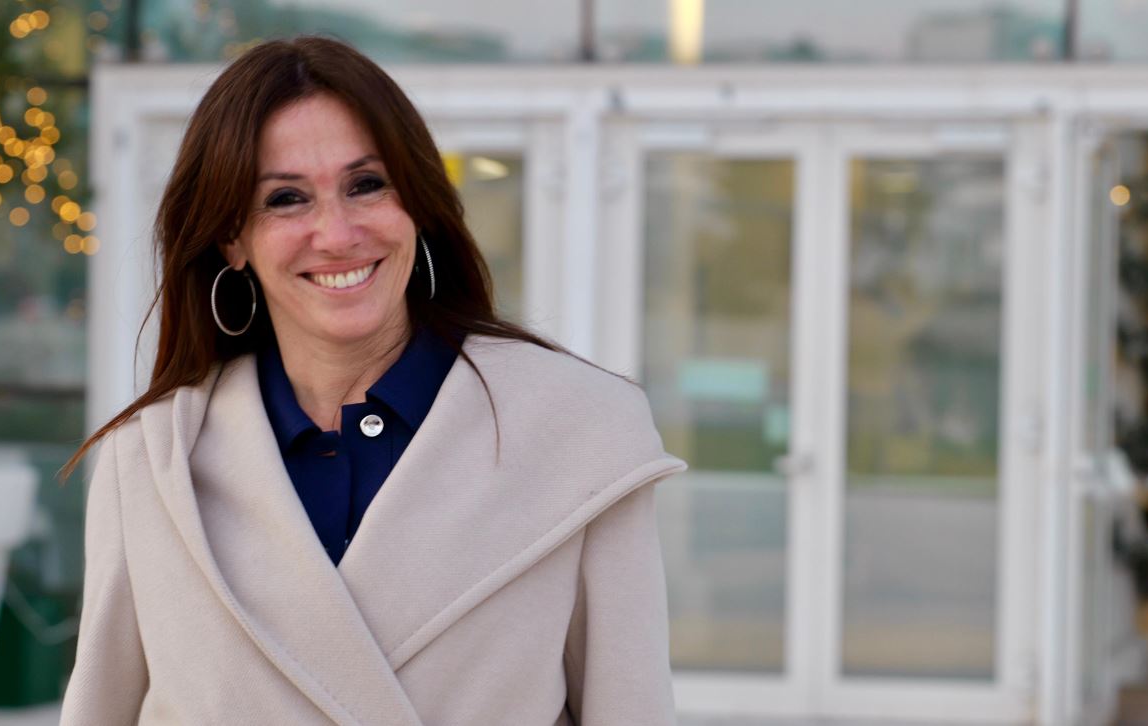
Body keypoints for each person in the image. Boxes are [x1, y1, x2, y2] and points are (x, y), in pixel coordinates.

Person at [58, 35, 686, 726]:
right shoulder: (149, 464)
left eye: (366, 185)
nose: (336, 233)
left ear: (416, 202)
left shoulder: (580, 430)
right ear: (231, 239)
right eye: (286, 198)